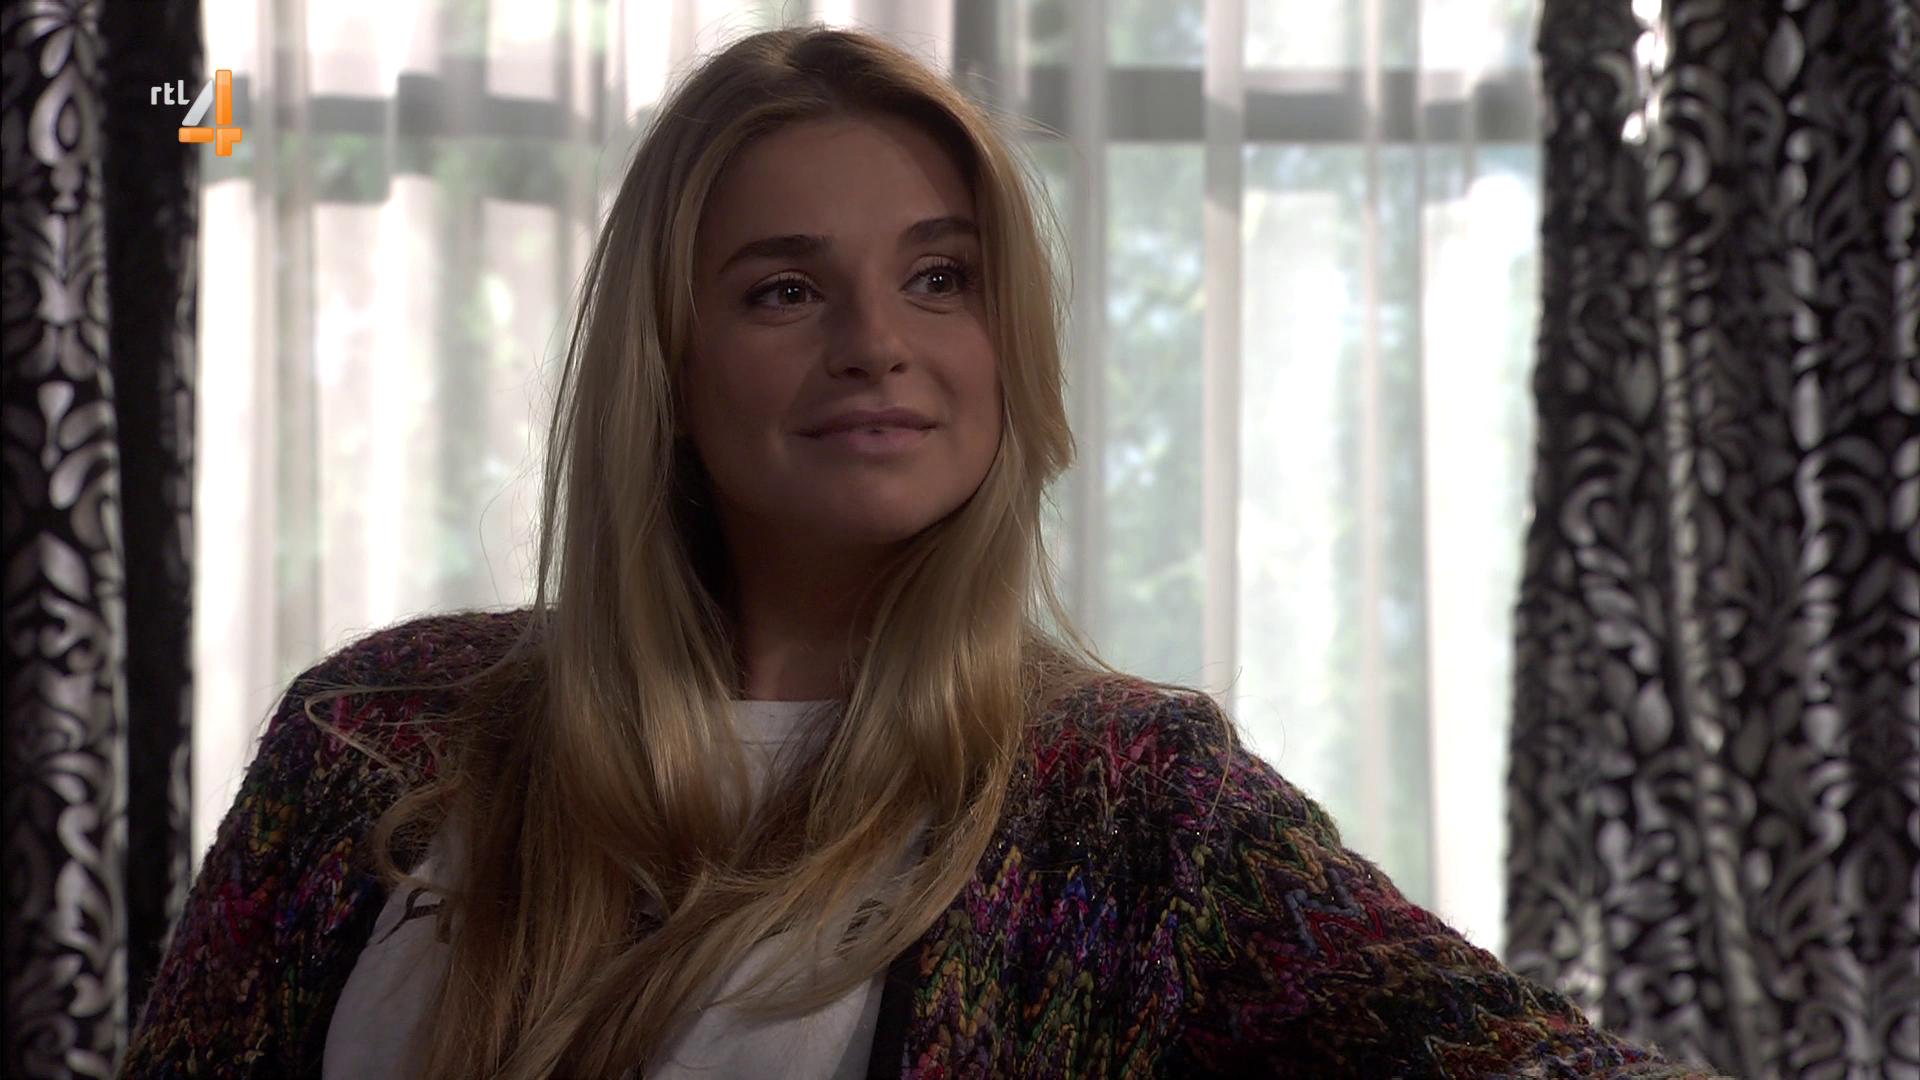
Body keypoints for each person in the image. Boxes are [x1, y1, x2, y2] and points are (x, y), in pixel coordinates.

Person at [121, 25, 1730, 1080]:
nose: (878, 342)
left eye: (941, 278)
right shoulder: (373, 726)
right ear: (666, 368)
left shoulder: (1138, 802)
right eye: (785, 289)